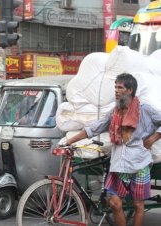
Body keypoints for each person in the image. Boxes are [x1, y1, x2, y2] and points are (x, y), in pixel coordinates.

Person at [65, 73, 161, 226]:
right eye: (115, 86)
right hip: (119, 165)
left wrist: (153, 138)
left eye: (120, 87)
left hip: (140, 163)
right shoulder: (115, 111)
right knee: (114, 203)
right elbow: (95, 128)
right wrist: (68, 141)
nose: (116, 90)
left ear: (130, 90)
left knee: (138, 205)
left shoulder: (145, 109)